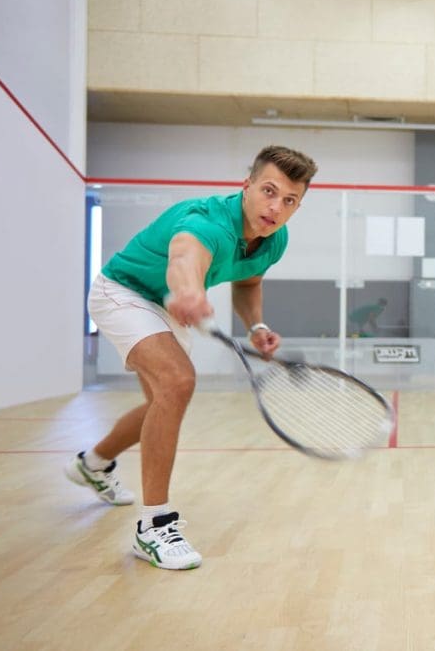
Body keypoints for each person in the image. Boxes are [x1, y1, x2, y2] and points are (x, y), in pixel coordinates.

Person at [66, 145, 317, 570]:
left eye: (290, 200)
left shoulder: (275, 239)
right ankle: (154, 526)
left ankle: (93, 464)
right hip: (122, 291)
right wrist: (188, 290)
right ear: (247, 185)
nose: (276, 208)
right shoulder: (208, 223)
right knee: (178, 383)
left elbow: (248, 282)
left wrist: (256, 327)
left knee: (161, 401)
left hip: (163, 307)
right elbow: (185, 254)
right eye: (269, 191)